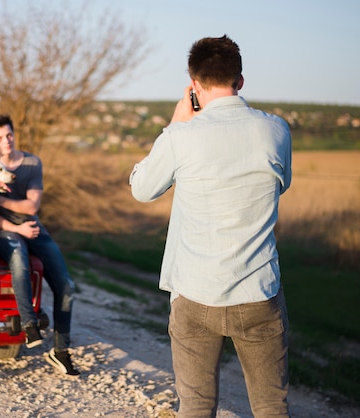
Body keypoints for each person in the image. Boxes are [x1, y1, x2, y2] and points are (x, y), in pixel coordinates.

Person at [129, 35, 292, 417]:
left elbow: (142, 188)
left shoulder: (181, 137)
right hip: (258, 292)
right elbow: (279, 185)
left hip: (195, 294)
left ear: (194, 85)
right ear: (240, 80)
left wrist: (175, 124)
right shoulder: (276, 130)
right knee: (271, 406)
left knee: (197, 406)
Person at [0, 114, 80, 377]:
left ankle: (61, 351)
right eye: (0, 137)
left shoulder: (32, 162)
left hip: (34, 227)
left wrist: (2, 202)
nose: (7, 141)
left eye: (9, 135)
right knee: (19, 261)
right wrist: (16, 227)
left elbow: (32, 206)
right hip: (3, 230)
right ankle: (29, 324)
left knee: (67, 287)